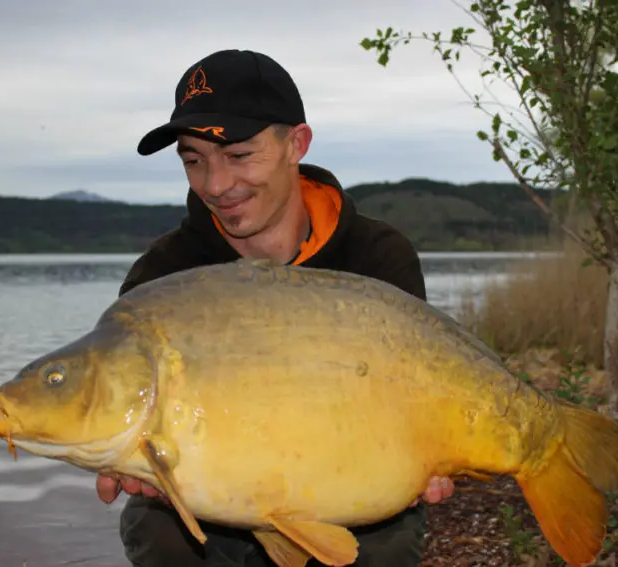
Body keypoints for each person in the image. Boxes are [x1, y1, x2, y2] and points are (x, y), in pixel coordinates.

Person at [96, 49, 455, 567]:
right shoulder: (164, 276)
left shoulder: (376, 255)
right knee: (156, 527)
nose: (216, 185)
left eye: (239, 155)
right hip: (216, 494)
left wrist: (433, 456)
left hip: (346, 480)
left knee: (388, 541)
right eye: (193, 160)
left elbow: (415, 393)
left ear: (297, 144)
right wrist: (124, 453)